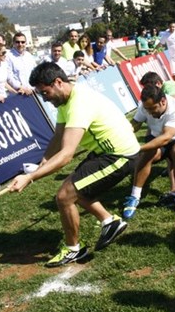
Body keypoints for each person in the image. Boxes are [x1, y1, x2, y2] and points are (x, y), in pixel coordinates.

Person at [9, 62, 139, 267]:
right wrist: (42, 164)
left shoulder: (79, 104)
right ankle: (110, 221)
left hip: (120, 155)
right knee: (74, 188)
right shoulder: (66, 100)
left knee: (64, 196)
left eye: (45, 92)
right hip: (105, 152)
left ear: (58, 82)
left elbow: (67, 154)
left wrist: (30, 177)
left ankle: (73, 249)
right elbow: (58, 136)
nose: (45, 98)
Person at [123, 85, 175, 220]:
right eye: (146, 109)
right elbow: (135, 123)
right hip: (157, 136)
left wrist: (138, 148)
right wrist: (123, 135)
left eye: (152, 108)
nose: (149, 112)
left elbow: (166, 137)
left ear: (163, 101)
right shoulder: (145, 106)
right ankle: (134, 197)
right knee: (147, 154)